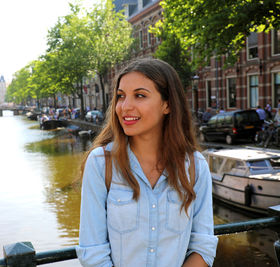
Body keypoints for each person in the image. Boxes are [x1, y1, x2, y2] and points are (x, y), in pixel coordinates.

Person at [76, 58, 217, 267]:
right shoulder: (100, 164)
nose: (125, 106)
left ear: (167, 104)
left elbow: (203, 246)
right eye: (120, 96)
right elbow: (93, 251)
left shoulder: (195, 167)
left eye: (140, 96)